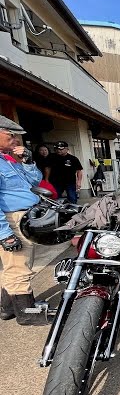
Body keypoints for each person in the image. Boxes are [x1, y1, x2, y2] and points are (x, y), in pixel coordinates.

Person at [0, 116, 48, 325]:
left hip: (25, 217)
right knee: (19, 266)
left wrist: (27, 162)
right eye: (10, 135)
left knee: (15, 265)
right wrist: (5, 234)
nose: (15, 139)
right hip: (12, 219)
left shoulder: (7, 160)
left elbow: (35, 181)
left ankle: (7, 308)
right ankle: (27, 314)